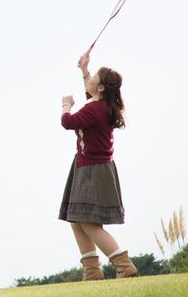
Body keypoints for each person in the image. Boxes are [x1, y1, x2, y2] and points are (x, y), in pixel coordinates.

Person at [58, 52, 138, 281]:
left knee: (90, 223)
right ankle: (92, 271)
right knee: (77, 220)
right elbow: (89, 91)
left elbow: (68, 122)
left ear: (101, 88)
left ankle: (124, 265)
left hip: (92, 169)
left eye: (94, 77)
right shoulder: (99, 105)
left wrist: (66, 105)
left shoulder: (93, 109)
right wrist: (85, 69)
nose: (90, 78)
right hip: (91, 167)